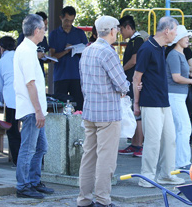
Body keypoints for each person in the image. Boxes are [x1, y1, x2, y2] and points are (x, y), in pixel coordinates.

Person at [77, 16, 130, 207]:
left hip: (90, 111)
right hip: (108, 114)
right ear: (113, 31)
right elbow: (122, 84)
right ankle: (102, 200)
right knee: (106, 160)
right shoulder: (108, 53)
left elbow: (83, 82)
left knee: (88, 157)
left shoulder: (87, 50)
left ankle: (83, 199)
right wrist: (127, 88)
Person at [133, 16, 184, 188]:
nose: (176, 34)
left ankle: (166, 175)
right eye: (175, 30)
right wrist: (136, 104)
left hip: (163, 101)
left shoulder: (161, 48)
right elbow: (136, 77)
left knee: (170, 138)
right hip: (150, 102)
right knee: (153, 141)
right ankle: (146, 177)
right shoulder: (146, 48)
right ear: (167, 30)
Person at [14, 14, 53, 199]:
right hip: (31, 110)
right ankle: (23, 185)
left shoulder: (28, 49)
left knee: (40, 147)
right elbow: (30, 84)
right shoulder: (27, 51)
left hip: (35, 109)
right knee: (29, 148)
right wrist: (38, 111)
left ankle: (33, 181)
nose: (45, 32)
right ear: (37, 30)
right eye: (43, 29)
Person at [165, 25, 192, 169]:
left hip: (179, 96)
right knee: (184, 128)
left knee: (182, 128)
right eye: (185, 37)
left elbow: (180, 75)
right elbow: (176, 77)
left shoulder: (181, 54)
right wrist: (191, 80)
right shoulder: (174, 54)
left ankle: (180, 161)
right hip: (175, 96)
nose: (188, 39)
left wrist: (190, 75)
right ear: (178, 38)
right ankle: (181, 162)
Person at [49, 6, 88, 111]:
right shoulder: (54, 34)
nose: (69, 23)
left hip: (77, 75)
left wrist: (77, 49)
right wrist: (66, 51)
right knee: (58, 106)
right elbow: (52, 57)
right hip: (60, 76)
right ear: (61, 18)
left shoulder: (79, 33)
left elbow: (86, 52)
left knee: (79, 106)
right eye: (66, 20)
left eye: (71, 21)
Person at [118, 15, 145, 157]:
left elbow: (134, 60)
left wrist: (120, 71)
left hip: (135, 81)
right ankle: (134, 144)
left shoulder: (138, 40)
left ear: (128, 27)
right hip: (130, 81)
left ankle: (139, 145)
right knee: (132, 113)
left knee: (137, 113)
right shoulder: (133, 41)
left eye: (121, 29)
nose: (120, 33)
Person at [0, 36, 20, 166]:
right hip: (27, 98)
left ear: (1, 48)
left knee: (13, 130)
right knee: (30, 129)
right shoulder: (21, 57)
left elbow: (0, 86)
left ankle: (17, 160)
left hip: (10, 100)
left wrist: (0, 100)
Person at [17, 11, 50, 75]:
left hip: (40, 73)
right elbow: (20, 55)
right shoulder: (24, 37)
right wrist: (36, 55)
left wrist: (47, 58)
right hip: (28, 74)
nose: (46, 28)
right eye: (44, 25)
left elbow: (44, 56)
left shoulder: (44, 38)